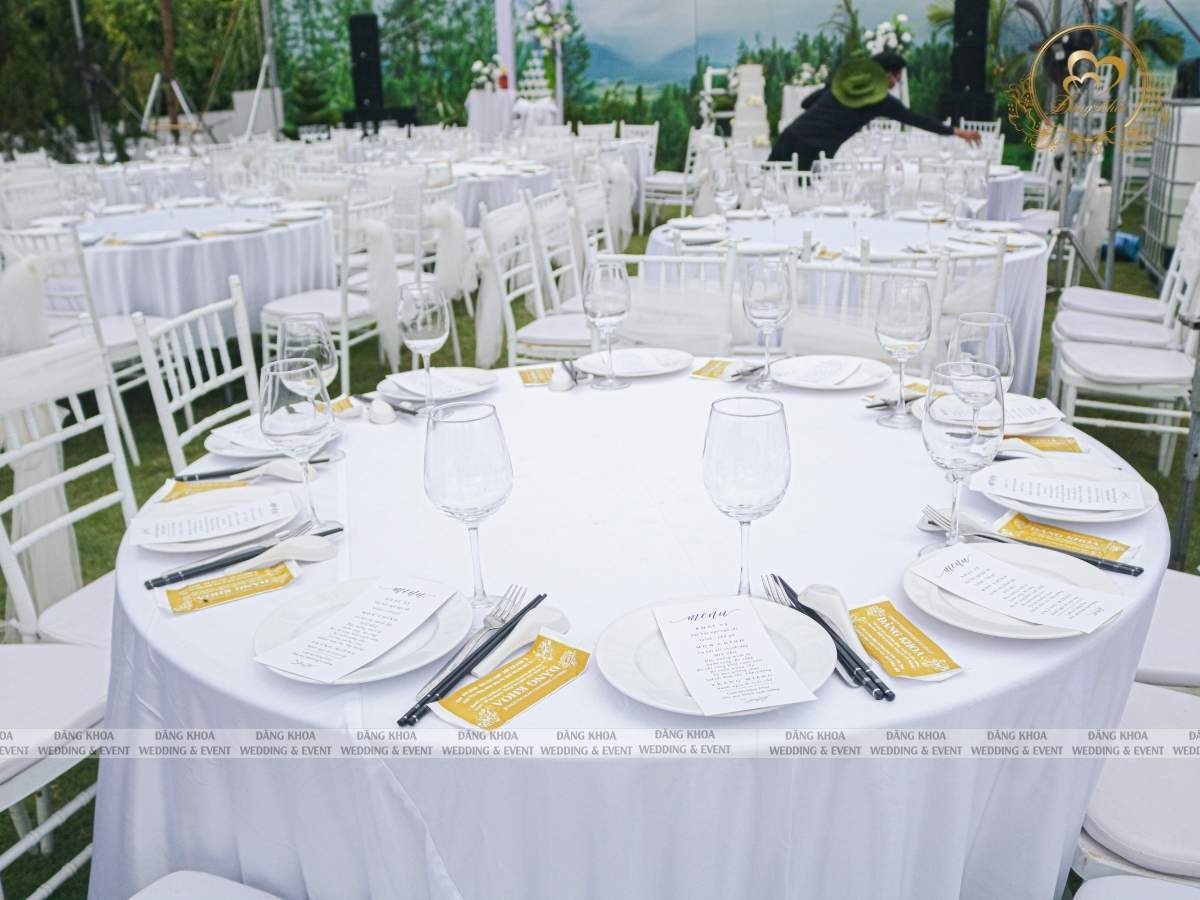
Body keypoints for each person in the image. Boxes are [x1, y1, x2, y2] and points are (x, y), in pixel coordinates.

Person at [769, 50, 982, 169]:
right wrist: (957, 132)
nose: (896, 83)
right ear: (886, 75)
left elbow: (806, 104)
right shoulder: (880, 101)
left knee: (769, 199)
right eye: (897, 77)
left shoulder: (844, 84)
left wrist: (832, 100)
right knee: (802, 205)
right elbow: (916, 119)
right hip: (812, 154)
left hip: (789, 138)